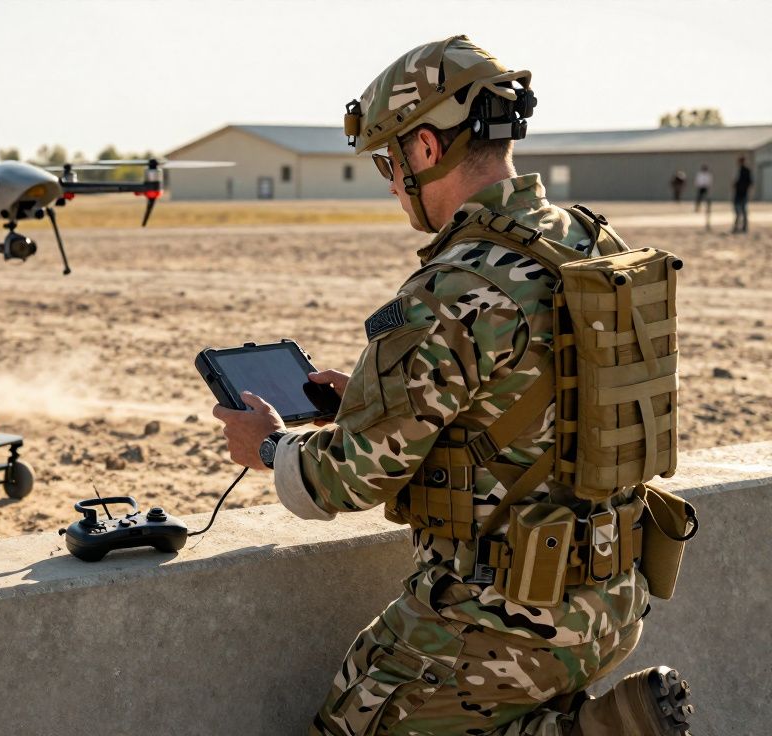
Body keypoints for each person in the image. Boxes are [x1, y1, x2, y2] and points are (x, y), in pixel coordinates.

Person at [212, 36, 693, 736]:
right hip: (616, 604)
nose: (390, 181)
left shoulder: (453, 285)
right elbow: (550, 405)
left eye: (389, 160)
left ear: (427, 150)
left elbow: (343, 482)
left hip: (500, 622)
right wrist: (376, 402)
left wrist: (269, 446)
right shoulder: (593, 243)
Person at [733, 156, 752, 233]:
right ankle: (740, 227)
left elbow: (749, 182)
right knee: (739, 211)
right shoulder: (740, 170)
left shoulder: (746, 171)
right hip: (740, 193)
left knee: (741, 211)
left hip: (742, 193)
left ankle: (742, 227)